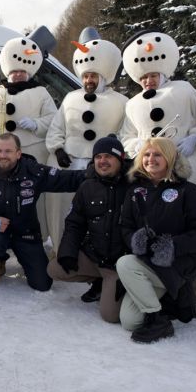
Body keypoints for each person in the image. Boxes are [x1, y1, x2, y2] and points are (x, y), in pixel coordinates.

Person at [119, 29, 196, 300]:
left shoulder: (184, 89)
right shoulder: (131, 104)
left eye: (153, 75)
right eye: (144, 77)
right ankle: (159, 274)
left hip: (189, 164)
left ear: (162, 73)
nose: (149, 80)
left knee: (195, 219)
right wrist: (140, 150)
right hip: (152, 169)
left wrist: (193, 137)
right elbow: (126, 137)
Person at [117, 138, 196, 343]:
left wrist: (172, 246)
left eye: (157, 154)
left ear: (170, 158)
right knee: (130, 321)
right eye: (146, 154)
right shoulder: (135, 191)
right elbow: (125, 226)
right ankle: (172, 299)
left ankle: (157, 321)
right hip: (147, 264)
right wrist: (136, 240)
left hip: (178, 263)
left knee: (124, 263)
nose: (150, 159)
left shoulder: (189, 191)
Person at [0, 133, 84, 290]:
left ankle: (28, 260)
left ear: (18, 153)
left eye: (8, 151)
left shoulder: (33, 171)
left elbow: (64, 178)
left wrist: (93, 174)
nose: (2, 156)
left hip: (26, 233)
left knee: (42, 284)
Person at [45, 30, 127, 258]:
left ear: (103, 75)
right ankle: (63, 250)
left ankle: (94, 255)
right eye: (85, 76)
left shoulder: (121, 102)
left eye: (93, 76)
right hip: (69, 163)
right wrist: (58, 149)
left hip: (100, 167)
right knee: (66, 210)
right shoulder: (70, 98)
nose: (89, 80)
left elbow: (125, 133)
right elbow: (57, 127)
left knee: (97, 211)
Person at [0, 36, 56, 248]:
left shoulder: (41, 92)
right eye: (14, 71)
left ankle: (33, 241)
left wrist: (36, 124)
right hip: (2, 156)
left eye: (22, 71)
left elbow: (53, 119)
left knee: (31, 199)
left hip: (31, 154)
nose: (18, 74)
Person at [47, 136, 130, 322]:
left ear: (121, 158)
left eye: (108, 156)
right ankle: (97, 281)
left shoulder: (133, 186)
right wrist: (67, 253)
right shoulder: (87, 186)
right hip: (95, 256)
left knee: (110, 316)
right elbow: (74, 222)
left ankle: (117, 284)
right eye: (98, 156)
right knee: (55, 268)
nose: (102, 161)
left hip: (119, 264)